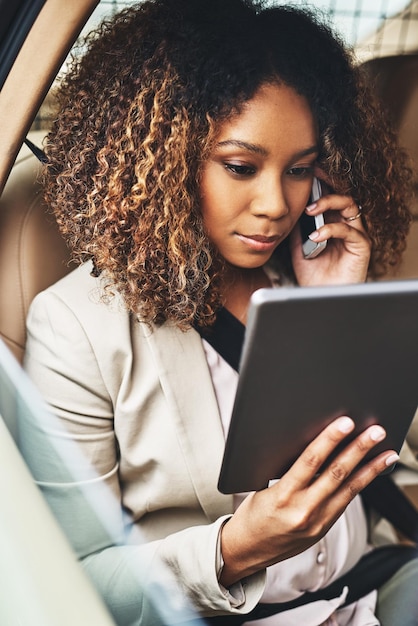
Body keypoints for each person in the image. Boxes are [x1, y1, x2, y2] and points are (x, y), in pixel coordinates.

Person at [21, 1, 417, 625]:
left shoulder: (307, 268)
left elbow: (380, 443)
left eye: (299, 171)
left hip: (365, 589)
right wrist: (234, 550)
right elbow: (80, 575)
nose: (274, 204)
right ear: (163, 157)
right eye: (241, 167)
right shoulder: (77, 327)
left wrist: (332, 306)